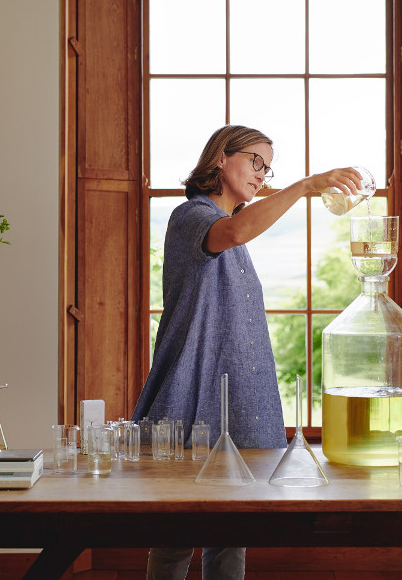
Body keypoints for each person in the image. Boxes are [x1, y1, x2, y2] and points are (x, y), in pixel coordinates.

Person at [133, 124, 364, 580]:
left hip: (234, 394)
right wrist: (306, 185)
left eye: (267, 166)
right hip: (193, 389)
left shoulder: (235, 231)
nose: (262, 173)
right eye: (254, 160)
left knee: (231, 529)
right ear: (221, 156)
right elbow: (234, 232)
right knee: (176, 533)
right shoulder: (192, 216)